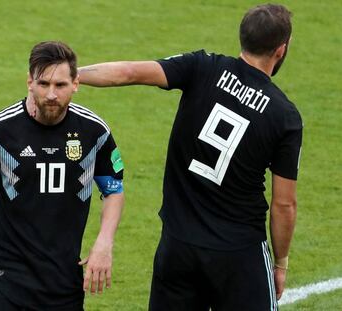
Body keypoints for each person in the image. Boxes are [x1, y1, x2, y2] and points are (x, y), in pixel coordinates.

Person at [77, 4, 302, 310]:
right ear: (281, 50)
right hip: (238, 255)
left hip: (178, 247)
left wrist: (73, 75)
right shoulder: (284, 115)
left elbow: (128, 72)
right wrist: (281, 263)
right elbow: (284, 204)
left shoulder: (203, 66)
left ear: (243, 37)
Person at [0, 41, 125, 310]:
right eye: (43, 84)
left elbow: (113, 190)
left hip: (64, 282)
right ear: (30, 81)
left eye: (61, 85)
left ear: (76, 83)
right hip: (5, 280)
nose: (51, 94)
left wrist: (104, 243)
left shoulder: (94, 132)